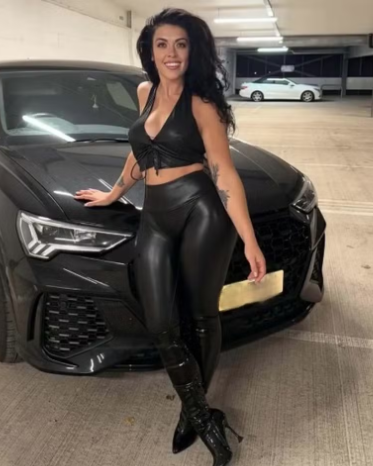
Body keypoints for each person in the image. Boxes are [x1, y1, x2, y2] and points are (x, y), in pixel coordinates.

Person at [73, 8, 267, 465]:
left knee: (201, 316)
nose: (172, 53)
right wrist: (114, 193)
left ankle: (191, 415)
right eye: (162, 44)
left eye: (181, 44)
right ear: (151, 51)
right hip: (156, 216)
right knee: (160, 321)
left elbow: (223, 173)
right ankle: (204, 414)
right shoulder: (145, 92)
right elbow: (141, 153)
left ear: (193, 50)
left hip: (201, 211)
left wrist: (249, 240)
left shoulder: (202, 103)